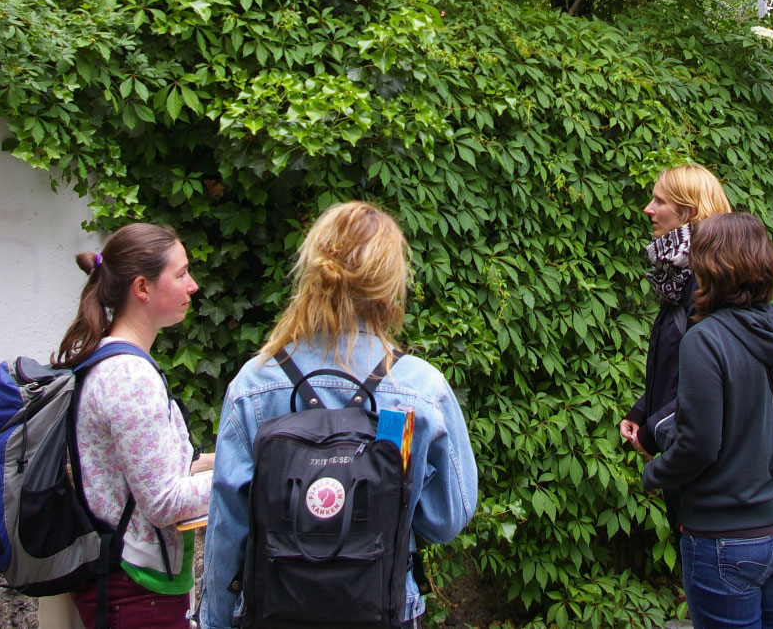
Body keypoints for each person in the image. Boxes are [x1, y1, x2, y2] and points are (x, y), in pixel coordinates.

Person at [199, 201, 478, 629]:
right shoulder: (420, 389)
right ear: (390, 284)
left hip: (275, 613)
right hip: (384, 612)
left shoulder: (253, 386)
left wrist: (215, 621)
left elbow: (227, 530)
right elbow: (445, 520)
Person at [642, 212, 773, 629]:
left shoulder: (705, 339)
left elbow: (698, 445)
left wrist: (655, 472)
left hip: (725, 539)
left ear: (710, 266)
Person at [53, 223, 214, 628]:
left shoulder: (115, 362)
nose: (192, 286)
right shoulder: (128, 377)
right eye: (180, 274)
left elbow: (153, 474)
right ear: (142, 288)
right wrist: (249, 475)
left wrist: (227, 459)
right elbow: (163, 503)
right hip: (135, 594)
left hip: (129, 590)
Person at [620, 164, 732, 459]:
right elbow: (680, 366)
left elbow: (711, 384)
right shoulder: (682, 275)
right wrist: (644, 410)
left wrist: (655, 430)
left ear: (690, 213)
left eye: (660, 201)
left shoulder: (711, 282)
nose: (648, 209)